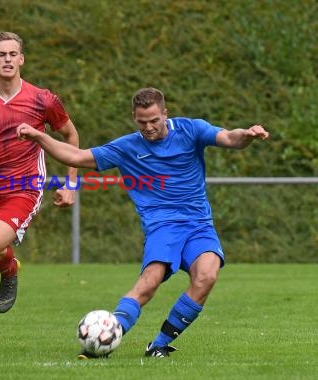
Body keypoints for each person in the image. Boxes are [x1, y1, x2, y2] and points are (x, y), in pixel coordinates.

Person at [17, 87, 270, 358]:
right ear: (134, 118)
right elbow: (76, 157)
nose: (148, 127)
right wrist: (40, 136)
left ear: (165, 113)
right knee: (148, 284)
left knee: (207, 276)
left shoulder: (191, 130)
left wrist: (247, 135)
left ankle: (158, 345)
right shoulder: (127, 147)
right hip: (161, 227)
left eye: (154, 120)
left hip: (198, 225)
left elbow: (230, 138)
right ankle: (106, 337)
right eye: (141, 122)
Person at [0, 31, 80, 351]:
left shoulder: (42, 99)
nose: (7, 59)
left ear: (21, 59)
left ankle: (9, 269)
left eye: (13, 54)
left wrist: (71, 183)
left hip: (23, 187)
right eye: (1, 54)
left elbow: (70, 135)